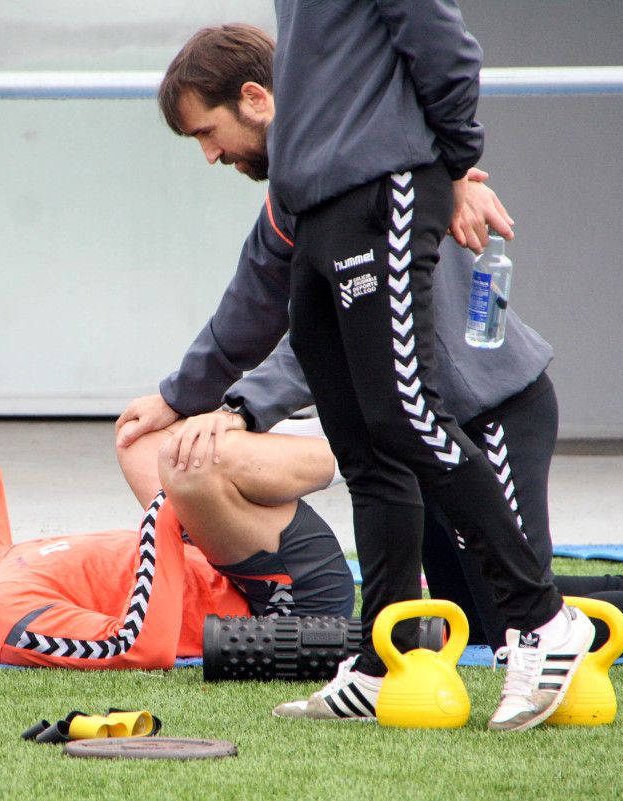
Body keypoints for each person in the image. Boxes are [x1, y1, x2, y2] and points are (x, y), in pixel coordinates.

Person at [123, 17, 584, 732]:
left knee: (406, 422)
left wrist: (457, 162)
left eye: (208, 134)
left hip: (485, 390)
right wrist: (179, 395)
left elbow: (443, 42)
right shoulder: (293, 192)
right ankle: (383, 660)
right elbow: (254, 296)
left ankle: (547, 621)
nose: (210, 156)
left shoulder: (361, 157)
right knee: (369, 449)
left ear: (252, 99)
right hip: (333, 199)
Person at [0, 439, 353, 668]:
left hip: (222, 561)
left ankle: (312, 447)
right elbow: (139, 649)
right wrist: (165, 514)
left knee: (139, 437)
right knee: (196, 466)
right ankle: (367, 454)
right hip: (281, 601)